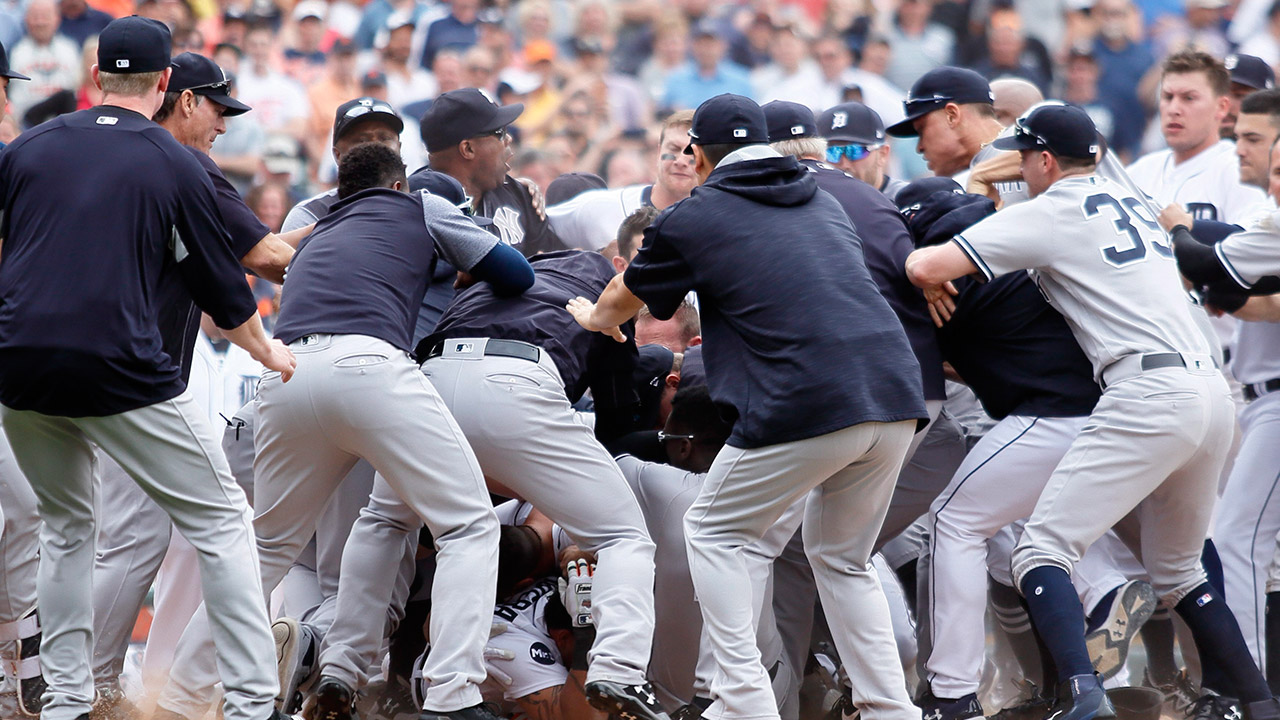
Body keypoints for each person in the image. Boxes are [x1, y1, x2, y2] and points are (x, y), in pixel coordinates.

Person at [905, 103, 1280, 720]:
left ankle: (1083, 696)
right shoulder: (1127, 200)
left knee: (1039, 551)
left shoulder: (1054, 210)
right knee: (1180, 571)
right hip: (1213, 391)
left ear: (1046, 160)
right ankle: (1259, 701)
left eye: (1027, 155)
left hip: (1146, 391)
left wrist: (937, 258)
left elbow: (926, 264)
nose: (1022, 165)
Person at [568, 93, 928, 720]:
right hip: (894, 394)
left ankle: (744, 702)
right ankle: (890, 710)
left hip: (809, 400)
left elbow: (626, 300)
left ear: (698, 156)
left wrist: (594, 317)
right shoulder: (828, 197)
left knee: (711, 530)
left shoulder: (697, 212)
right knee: (842, 557)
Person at [154, 143, 534, 720]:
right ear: (400, 185)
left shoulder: (318, 223)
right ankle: (453, 696)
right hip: (369, 368)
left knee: (264, 550)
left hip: (285, 376)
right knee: (467, 523)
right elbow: (515, 273)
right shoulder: (421, 206)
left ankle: (178, 701)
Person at [0, 16, 296, 720]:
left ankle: (68, 701)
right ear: (166, 83)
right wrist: (266, 349)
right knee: (224, 522)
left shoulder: (29, 147)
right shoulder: (177, 161)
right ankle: (255, 704)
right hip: (118, 365)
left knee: (69, 528)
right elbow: (225, 287)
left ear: (96, 76)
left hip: (18, 366)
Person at [86, 50, 306, 712]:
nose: (223, 127)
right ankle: (98, 684)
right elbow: (265, 255)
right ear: (183, 101)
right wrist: (351, 257)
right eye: (218, 109)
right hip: (134, 376)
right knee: (166, 532)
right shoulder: (179, 162)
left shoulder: (103, 151)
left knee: (95, 536)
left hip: (70, 368)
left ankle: (69, 679)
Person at [1128, 50, 1266, 227]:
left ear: (1222, 107)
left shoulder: (1239, 170)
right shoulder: (1139, 172)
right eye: (1168, 97)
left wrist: (1191, 227)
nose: (1174, 109)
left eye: (1189, 98)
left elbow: (1252, 243)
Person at [421, 87, 562, 255]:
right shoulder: (417, 208)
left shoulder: (520, 196)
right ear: (468, 149)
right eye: (500, 132)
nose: (509, 139)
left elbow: (554, 265)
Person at [546, 110, 696, 251]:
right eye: (674, 149)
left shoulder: (718, 225)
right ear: (658, 152)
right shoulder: (603, 207)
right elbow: (538, 221)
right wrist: (528, 189)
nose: (681, 160)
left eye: (693, 152)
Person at [886, 66, 1028, 205]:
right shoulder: (958, 186)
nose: (919, 147)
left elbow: (1046, 145)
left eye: (921, 130)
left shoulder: (1028, 139)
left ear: (952, 116)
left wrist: (981, 175)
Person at [283, 96, 405, 231]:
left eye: (385, 138)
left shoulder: (423, 208)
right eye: (361, 140)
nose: (375, 145)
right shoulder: (311, 215)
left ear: (399, 147)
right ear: (337, 155)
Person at [816, 101, 906, 201]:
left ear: (882, 154)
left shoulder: (907, 202)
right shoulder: (818, 205)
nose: (844, 164)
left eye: (855, 151)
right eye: (832, 152)